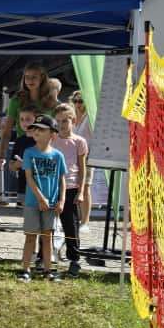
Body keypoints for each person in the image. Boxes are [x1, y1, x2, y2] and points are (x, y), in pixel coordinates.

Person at [0, 63, 58, 206]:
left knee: (45, 188)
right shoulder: (16, 100)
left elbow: (59, 129)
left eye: (34, 77)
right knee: (26, 190)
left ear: (42, 78)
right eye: (27, 77)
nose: (30, 80)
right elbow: (7, 131)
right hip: (24, 146)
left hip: (47, 148)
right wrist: (1, 155)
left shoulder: (52, 101)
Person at [17, 115, 67, 282]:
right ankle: (25, 270)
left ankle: (48, 271)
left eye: (42, 129)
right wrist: (40, 198)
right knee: (30, 236)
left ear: (52, 134)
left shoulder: (58, 156)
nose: (37, 131)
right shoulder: (29, 152)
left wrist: (62, 200)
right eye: (35, 128)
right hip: (33, 203)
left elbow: (62, 180)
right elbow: (29, 178)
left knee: (48, 238)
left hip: (52, 205)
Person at [52, 103, 88, 276]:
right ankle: (43, 256)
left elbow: (82, 168)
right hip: (52, 187)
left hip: (72, 187)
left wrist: (81, 191)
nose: (61, 125)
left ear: (73, 121)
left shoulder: (80, 142)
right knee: (46, 223)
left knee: (71, 225)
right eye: (58, 121)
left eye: (65, 121)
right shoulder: (51, 139)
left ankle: (74, 259)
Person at [70, 90, 95, 228]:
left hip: (87, 155)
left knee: (85, 187)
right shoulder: (71, 117)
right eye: (76, 101)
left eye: (81, 101)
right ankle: (74, 218)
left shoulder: (90, 116)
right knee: (71, 187)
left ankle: (85, 221)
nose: (78, 104)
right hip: (71, 156)